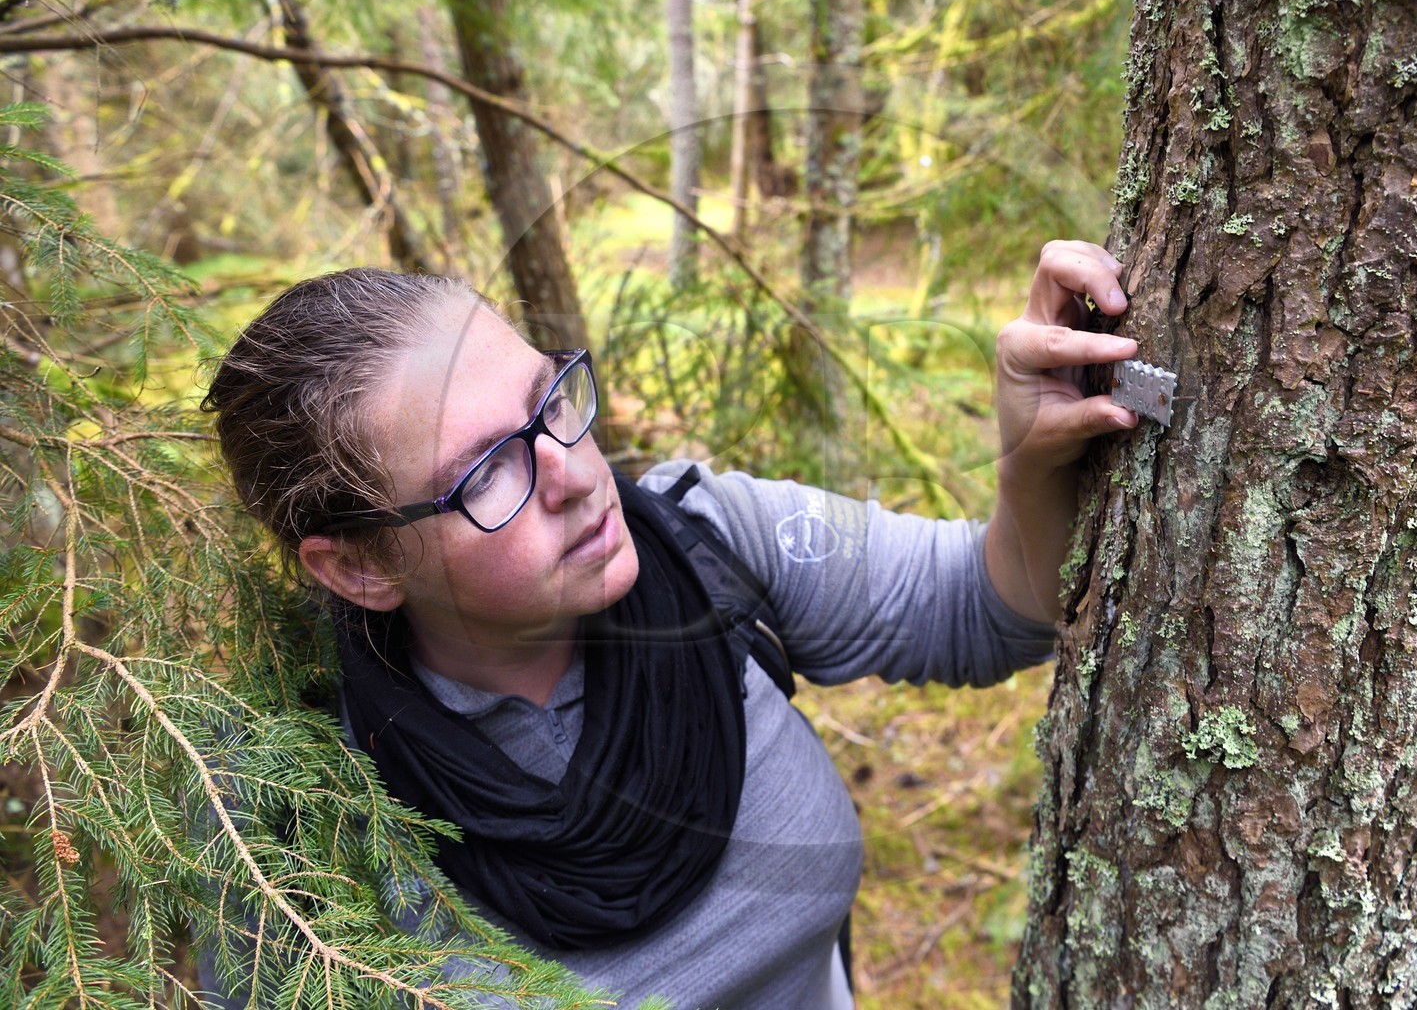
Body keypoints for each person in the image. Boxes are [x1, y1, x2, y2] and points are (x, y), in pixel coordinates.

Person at [200, 240, 1141, 1008]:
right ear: (361, 567)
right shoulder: (291, 815)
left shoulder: (711, 544)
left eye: (549, 402)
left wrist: (1029, 464)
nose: (574, 473)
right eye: (486, 471)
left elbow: (989, 611)